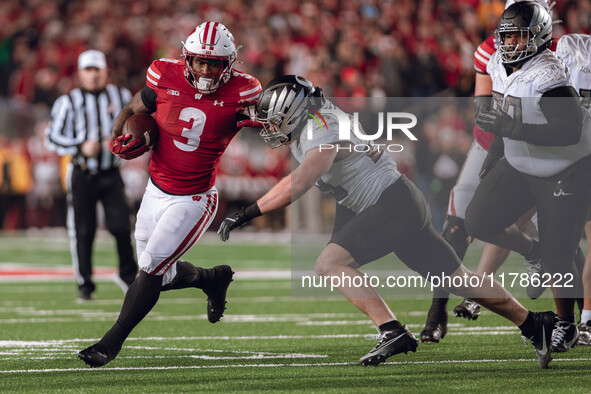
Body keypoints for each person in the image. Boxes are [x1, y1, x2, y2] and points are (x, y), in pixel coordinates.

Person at [219, 74, 559, 369]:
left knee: (329, 264)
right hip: (392, 200)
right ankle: (536, 324)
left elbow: (303, 180)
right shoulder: (315, 118)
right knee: (461, 281)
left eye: (275, 120)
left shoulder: (321, 128)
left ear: (293, 114)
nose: (270, 128)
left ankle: (392, 330)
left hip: (390, 204)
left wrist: (248, 212)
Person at [77, 21, 261, 368]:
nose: (205, 70)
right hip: (155, 190)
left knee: (148, 268)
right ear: (186, 58)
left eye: (214, 63)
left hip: (195, 198)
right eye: (199, 61)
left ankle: (109, 343)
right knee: (160, 275)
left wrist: (270, 123)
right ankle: (212, 278)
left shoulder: (244, 92)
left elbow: (275, 122)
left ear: (229, 64)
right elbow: (136, 107)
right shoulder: (164, 73)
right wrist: (118, 137)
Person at [466, 2, 591, 354]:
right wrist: (495, 152)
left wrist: (509, 128)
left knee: (559, 256)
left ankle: (565, 322)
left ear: (539, 35)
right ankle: (531, 250)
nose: (511, 42)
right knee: (478, 219)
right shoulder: (497, 64)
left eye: (519, 35)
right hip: (520, 162)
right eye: (506, 35)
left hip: (564, 167)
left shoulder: (550, 74)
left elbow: (567, 131)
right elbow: (506, 111)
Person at [45, 49, 138, 301]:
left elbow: (136, 123)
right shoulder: (68, 101)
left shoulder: (121, 96)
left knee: (121, 227)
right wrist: (79, 145)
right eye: (88, 70)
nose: (93, 75)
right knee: (83, 231)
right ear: (80, 73)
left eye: (97, 69)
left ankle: (128, 275)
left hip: (111, 172)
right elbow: (51, 137)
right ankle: (85, 283)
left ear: (105, 71)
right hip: (82, 172)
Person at [556, 32, 591, 347]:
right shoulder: (572, 45)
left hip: (573, 156)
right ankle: (572, 321)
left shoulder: (572, 46)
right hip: (572, 158)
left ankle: (584, 320)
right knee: (560, 243)